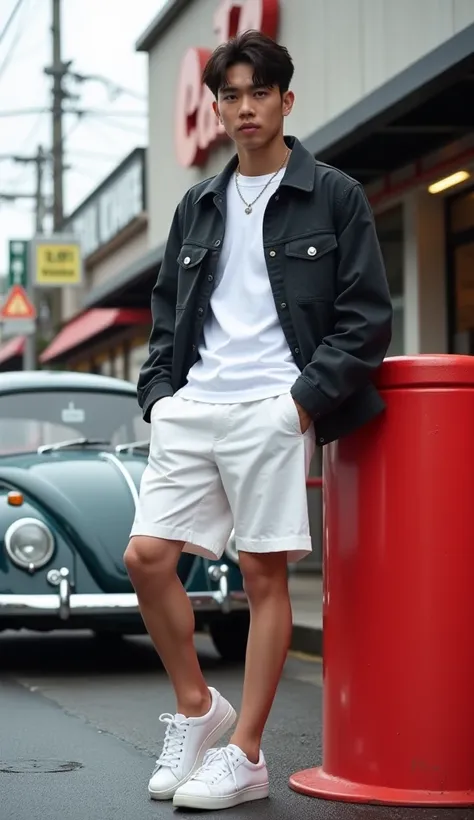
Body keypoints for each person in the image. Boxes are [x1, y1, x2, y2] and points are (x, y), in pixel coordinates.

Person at [124, 29, 392, 811]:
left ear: (285, 101)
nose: (245, 108)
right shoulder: (199, 203)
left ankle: (245, 756)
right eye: (230, 96)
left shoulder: (333, 195)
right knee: (146, 557)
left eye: (258, 93)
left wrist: (298, 405)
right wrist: (160, 398)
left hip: (272, 405)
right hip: (194, 406)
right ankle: (200, 709)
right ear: (215, 110)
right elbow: (167, 316)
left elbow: (365, 319)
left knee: (261, 574)